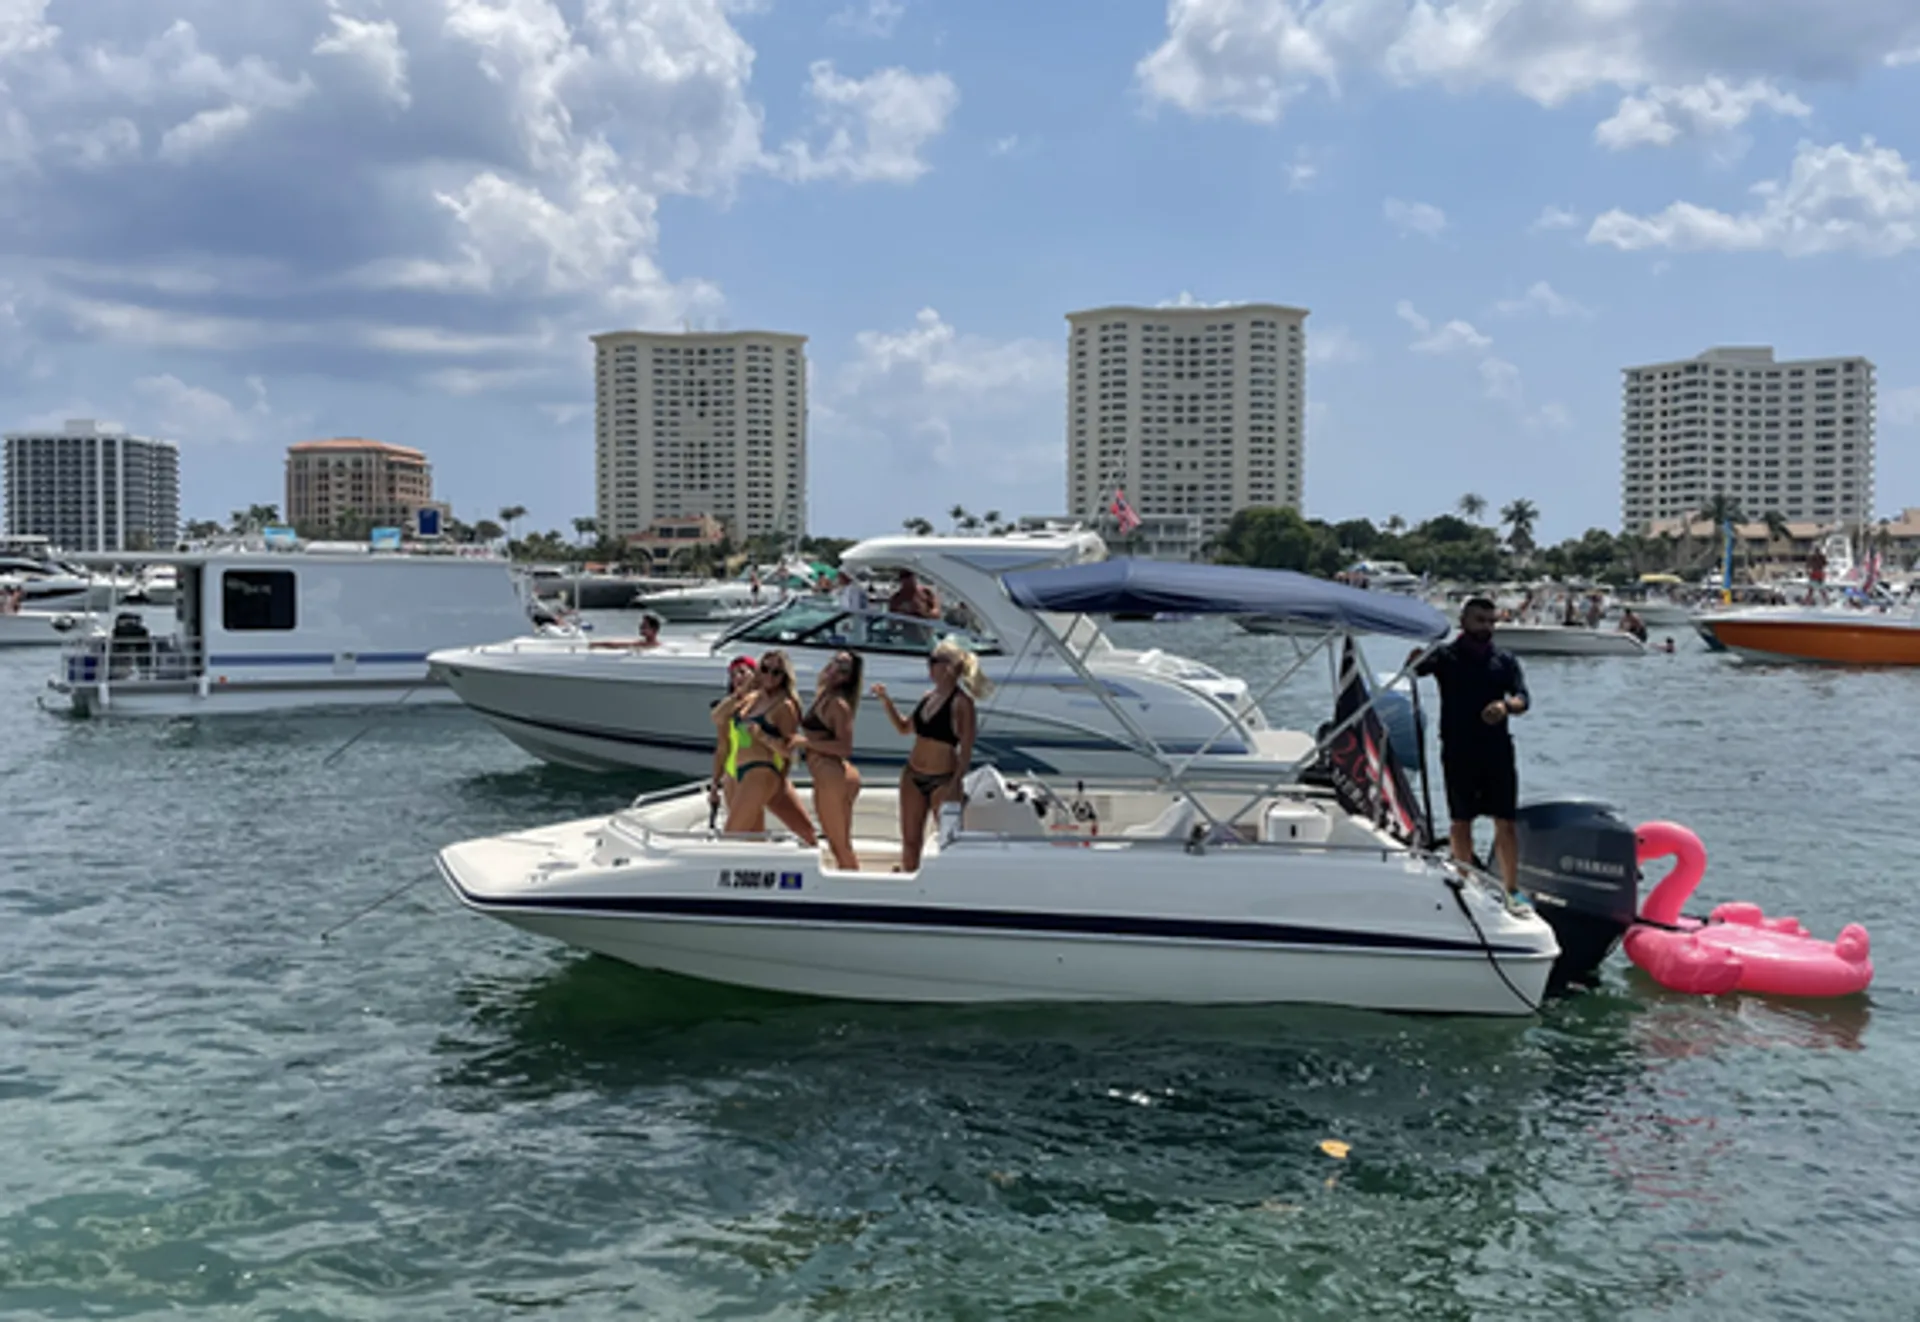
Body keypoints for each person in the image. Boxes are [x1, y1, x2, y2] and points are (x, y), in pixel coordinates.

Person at [1410, 597, 1531, 908]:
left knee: (1505, 821)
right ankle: (1464, 883)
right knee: (1460, 821)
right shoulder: (1446, 656)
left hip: (1497, 751)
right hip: (1458, 750)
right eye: (1480, 621)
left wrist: (1506, 706)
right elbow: (1414, 670)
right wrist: (1414, 658)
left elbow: (1523, 697)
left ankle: (1511, 890)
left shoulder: (1504, 660)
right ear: (1463, 621)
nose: (1487, 628)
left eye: (1491, 622)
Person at [870, 638, 988, 872]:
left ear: (947, 667)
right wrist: (886, 702)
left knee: (948, 842)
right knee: (910, 840)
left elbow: (965, 749)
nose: (929, 667)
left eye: (932, 661)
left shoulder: (962, 703)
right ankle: (909, 882)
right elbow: (905, 728)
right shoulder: (927, 697)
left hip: (943, 779)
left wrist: (956, 782)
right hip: (913, 775)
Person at [724, 650, 819, 846]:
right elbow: (718, 718)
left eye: (776, 672)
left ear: (784, 677)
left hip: (761, 772)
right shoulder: (753, 698)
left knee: (731, 837)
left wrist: (763, 736)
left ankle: (837, 868)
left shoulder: (785, 706)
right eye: (765, 669)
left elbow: (790, 751)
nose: (769, 676)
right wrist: (743, 688)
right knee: (759, 838)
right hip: (740, 773)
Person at [792, 650, 865, 870]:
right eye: (836, 663)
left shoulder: (838, 705)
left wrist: (806, 744)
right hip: (828, 774)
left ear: (848, 680)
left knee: (840, 845)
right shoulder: (823, 693)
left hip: (833, 774)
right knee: (837, 843)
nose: (836, 672)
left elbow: (845, 747)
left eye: (844, 671)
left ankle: (854, 890)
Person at [708, 656, 759, 818]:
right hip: (735, 773)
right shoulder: (728, 708)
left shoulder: (766, 702)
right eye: (733, 674)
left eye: (742, 672)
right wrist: (715, 783)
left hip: (762, 771)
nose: (737, 677)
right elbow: (722, 748)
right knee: (739, 824)